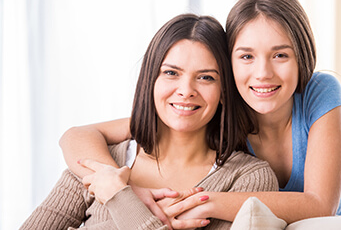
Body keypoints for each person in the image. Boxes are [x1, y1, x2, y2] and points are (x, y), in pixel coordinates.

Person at [58, 0, 341, 225]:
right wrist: (120, 184)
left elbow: (321, 205)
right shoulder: (217, 102)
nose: (262, 72)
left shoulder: (319, 91)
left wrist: (204, 201)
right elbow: (78, 135)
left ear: (301, 57)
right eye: (246, 56)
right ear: (228, 65)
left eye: (280, 55)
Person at [20, 14, 278, 230]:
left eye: (206, 78)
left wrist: (119, 197)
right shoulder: (102, 164)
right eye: (171, 73)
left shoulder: (248, 179)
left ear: (224, 91)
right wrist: (120, 192)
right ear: (150, 81)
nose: (186, 90)